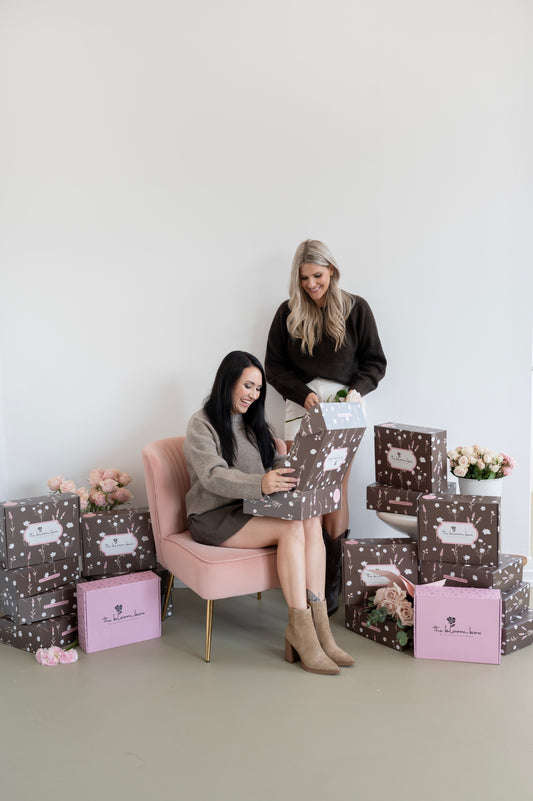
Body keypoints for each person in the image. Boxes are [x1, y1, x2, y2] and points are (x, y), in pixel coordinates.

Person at [183, 350, 354, 675]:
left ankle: (321, 630)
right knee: (290, 528)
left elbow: (275, 461)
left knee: (310, 516)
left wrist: (297, 468)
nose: (253, 395)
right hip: (213, 515)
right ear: (227, 382)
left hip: (252, 506)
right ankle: (300, 630)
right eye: (247, 385)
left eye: (258, 389)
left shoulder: (255, 424)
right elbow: (213, 476)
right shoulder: (201, 424)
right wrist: (261, 483)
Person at [265, 240, 387, 615]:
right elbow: (274, 367)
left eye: (317, 276)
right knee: (302, 492)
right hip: (301, 406)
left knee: (334, 491)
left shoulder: (356, 308)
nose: (311, 284)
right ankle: (307, 578)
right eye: (304, 278)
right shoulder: (288, 313)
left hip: (342, 407)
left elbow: (375, 362)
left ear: (331, 270)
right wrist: (302, 394)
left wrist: (356, 392)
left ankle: (331, 579)